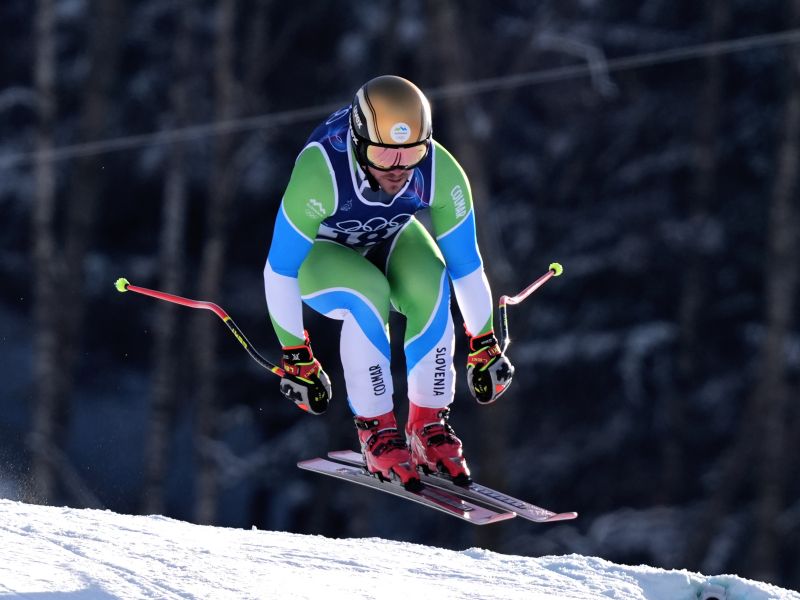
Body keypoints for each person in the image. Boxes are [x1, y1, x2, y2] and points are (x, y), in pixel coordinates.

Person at [264, 75, 514, 488]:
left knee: (431, 283)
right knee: (368, 294)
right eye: (382, 154)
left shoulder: (440, 171)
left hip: (389, 234)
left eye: (411, 152)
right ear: (358, 141)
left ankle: (428, 428)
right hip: (322, 254)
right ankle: (377, 432)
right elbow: (279, 270)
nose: (398, 168)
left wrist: (484, 344)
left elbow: (467, 266)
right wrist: (296, 355)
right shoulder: (320, 170)